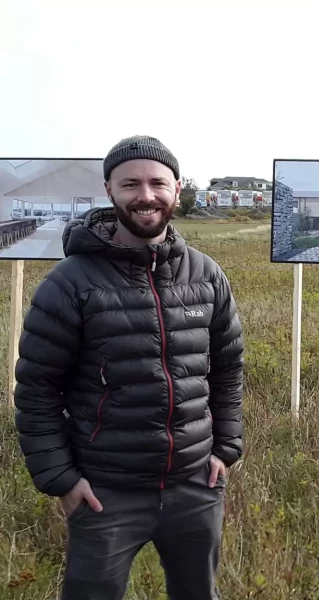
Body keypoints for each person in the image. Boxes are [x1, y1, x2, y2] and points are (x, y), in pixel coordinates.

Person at [13, 135, 245, 600]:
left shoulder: (206, 275)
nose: (146, 196)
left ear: (177, 189)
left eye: (158, 183)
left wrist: (225, 448)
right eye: (130, 184)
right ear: (109, 190)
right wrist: (61, 479)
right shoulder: (70, 283)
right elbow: (37, 390)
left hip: (195, 485)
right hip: (106, 493)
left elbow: (227, 368)